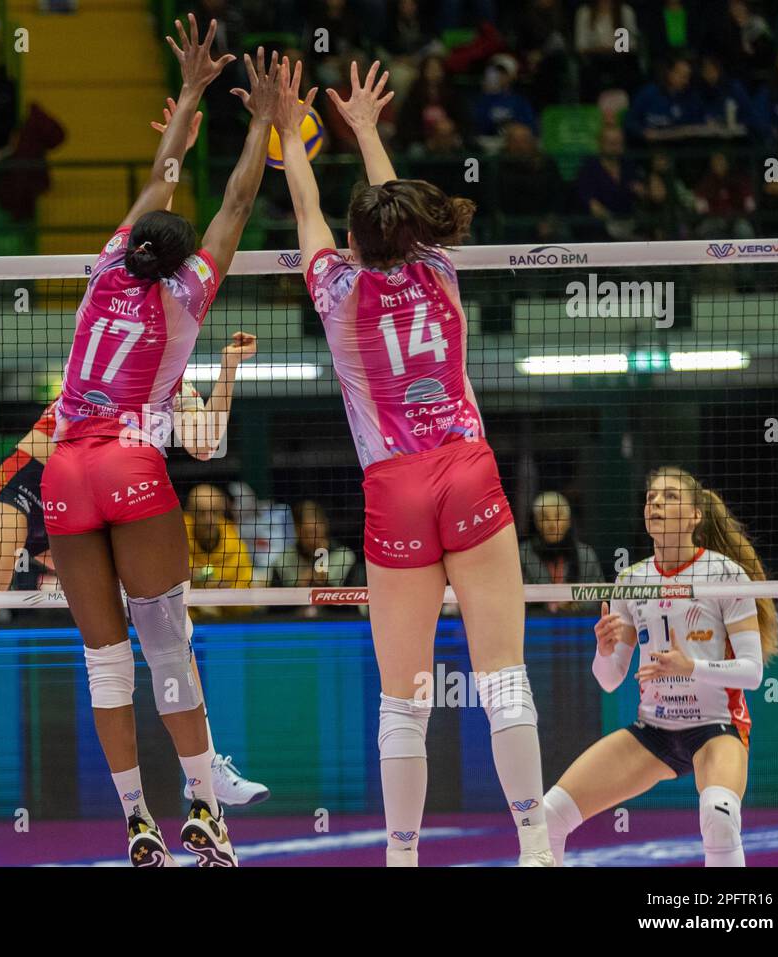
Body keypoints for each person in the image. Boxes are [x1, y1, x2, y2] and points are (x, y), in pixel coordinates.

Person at [0, 102, 270, 816]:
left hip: (88, 495)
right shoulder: (162, 319)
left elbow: (205, 442)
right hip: (25, 485)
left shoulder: (152, 351)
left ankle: (202, 767)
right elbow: (223, 207)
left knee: (161, 632)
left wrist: (225, 370)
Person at [276, 57, 554, 866]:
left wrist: (290, 136)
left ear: (359, 243)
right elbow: (398, 217)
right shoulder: (439, 270)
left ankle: (401, 856)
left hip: (392, 486)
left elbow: (307, 211)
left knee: (405, 698)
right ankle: (535, 846)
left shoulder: (337, 291)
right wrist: (366, 129)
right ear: (413, 237)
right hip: (465, 466)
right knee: (503, 677)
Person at [41, 20, 278, 866]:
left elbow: (162, 180)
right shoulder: (185, 299)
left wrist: (189, 96)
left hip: (65, 467)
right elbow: (235, 205)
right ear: (182, 267)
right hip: (131, 466)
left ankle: (136, 819)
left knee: (107, 661)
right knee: (167, 641)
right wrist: (264, 121)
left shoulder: (107, 264)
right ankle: (206, 816)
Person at [542, 467, 778, 867]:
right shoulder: (631, 580)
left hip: (716, 726)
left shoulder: (723, 574)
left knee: (719, 816)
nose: (655, 503)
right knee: (547, 815)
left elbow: (753, 673)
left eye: (669, 497)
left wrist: (691, 667)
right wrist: (603, 650)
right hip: (653, 732)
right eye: (651, 497)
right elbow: (610, 680)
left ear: (694, 515)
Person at [518, 491, 604, 612]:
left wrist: (574, 605)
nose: (552, 524)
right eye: (545, 518)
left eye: (558, 516)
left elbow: (600, 597)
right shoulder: (522, 555)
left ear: (568, 521)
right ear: (536, 522)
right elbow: (515, 598)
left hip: (580, 625)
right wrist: (547, 605)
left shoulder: (586, 555)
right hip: (536, 625)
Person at [185, 484, 257, 618]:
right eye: (201, 513)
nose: (209, 520)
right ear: (189, 513)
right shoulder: (175, 543)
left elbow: (247, 605)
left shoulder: (237, 547)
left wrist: (225, 593)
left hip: (225, 625)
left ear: (223, 511)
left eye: (214, 512)